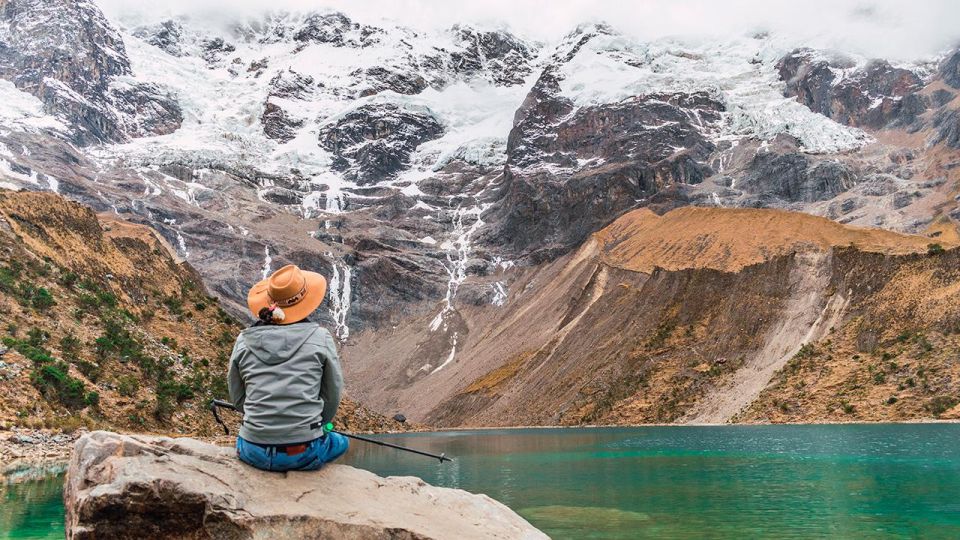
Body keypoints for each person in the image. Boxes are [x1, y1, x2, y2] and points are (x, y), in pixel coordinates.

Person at [228, 264, 348, 472]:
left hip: (252, 449)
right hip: (303, 451)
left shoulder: (243, 340)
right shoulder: (321, 338)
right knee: (341, 442)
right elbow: (332, 395)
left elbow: (238, 399)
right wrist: (320, 424)